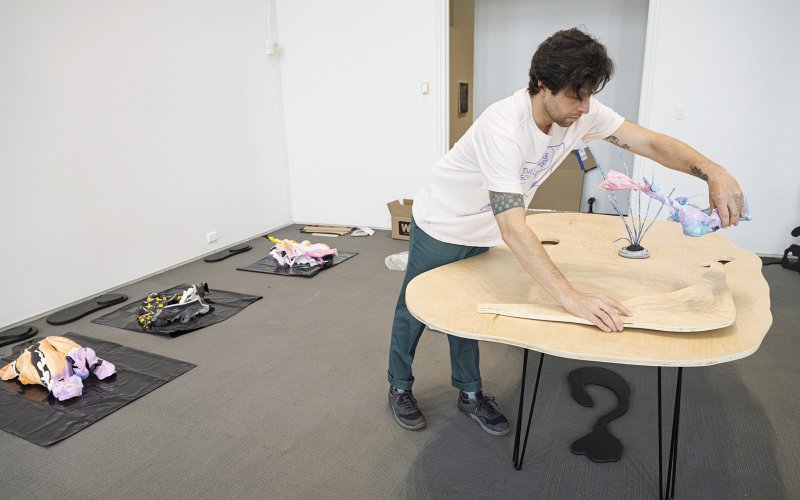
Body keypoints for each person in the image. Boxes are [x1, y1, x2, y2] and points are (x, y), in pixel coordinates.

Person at [387, 28, 745, 435]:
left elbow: (649, 143)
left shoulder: (582, 113)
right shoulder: (503, 128)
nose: (586, 107)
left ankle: (469, 393)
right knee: (415, 307)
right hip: (444, 223)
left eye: (590, 95)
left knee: (467, 309)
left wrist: (713, 171)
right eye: (577, 96)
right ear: (543, 85)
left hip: (484, 229)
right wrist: (571, 297)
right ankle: (399, 385)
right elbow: (513, 227)